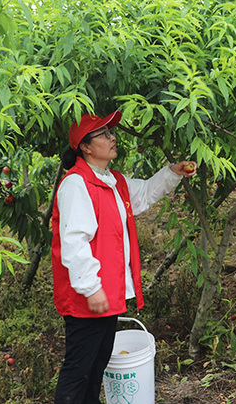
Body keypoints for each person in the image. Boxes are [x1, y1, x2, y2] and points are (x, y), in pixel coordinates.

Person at [52, 110, 196, 404]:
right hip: (88, 297)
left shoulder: (111, 180)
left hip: (105, 292)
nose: (112, 137)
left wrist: (173, 172)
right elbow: (74, 242)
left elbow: (143, 193)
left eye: (110, 132)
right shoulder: (77, 184)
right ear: (85, 147)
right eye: (103, 134)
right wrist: (91, 288)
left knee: (97, 364)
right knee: (79, 369)